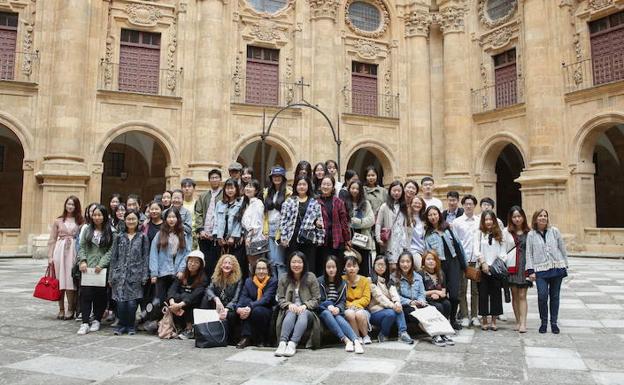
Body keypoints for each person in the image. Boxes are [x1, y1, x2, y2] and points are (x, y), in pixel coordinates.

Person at [526, 209, 568, 334]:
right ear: (535, 218)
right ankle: (543, 322)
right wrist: (530, 271)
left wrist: (565, 264)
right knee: (542, 296)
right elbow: (529, 253)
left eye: (545, 216)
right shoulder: (531, 234)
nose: (543, 218)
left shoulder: (554, 231)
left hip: (556, 267)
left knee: (555, 296)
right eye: (540, 216)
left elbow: (562, 248)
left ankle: (553, 323)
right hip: (540, 270)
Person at [424, 205, 467, 330]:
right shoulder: (427, 234)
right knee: (442, 294)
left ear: (439, 215)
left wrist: (463, 264)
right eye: (430, 215)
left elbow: (458, 245)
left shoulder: (448, 228)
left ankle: (453, 319)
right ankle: (444, 320)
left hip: (453, 263)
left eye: (435, 214)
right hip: (439, 266)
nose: (433, 217)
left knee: (454, 294)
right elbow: (428, 253)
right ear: (427, 217)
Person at [109, 210, 150, 335]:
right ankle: (122, 325)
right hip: (120, 275)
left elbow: (145, 257)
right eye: (128, 219)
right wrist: (111, 276)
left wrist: (144, 275)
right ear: (124, 221)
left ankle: (131, 326)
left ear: (138, 221)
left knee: (132, 304)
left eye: (133, 219)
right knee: (121, 303)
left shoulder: (143, 237)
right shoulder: (119, 237)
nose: (131, 221)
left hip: (136, 275)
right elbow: (113, 257)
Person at [275, 251, 322, 357]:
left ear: (304, 263)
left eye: (299, 262)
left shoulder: (311, 277)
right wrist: (288, 304)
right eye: (294, 262)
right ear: (289, 263)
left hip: (308, 312)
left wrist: (305, 305)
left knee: (303, 313)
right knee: (291, 312)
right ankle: (282, 343)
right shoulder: (284, 277)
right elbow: (280, 298)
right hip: (289, 311)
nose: (296, 265)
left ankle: (292, 344)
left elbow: (317, 299)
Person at [77, 204, 114, 335]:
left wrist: (102, 263)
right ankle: (85, 322)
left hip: (102, 269)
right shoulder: (87, 230)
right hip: (87, 268)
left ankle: (97, 319)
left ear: (104, 216)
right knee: (86, 294)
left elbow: (111, 251)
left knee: (100, 294)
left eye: (99, 215)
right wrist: (82, 260)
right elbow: (81, 247)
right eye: (95, 215)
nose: (97, 217)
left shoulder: (111, 232)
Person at [48, 196, 84, 320]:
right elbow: (52, 240)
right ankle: (61, 309)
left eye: (73, 204)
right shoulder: (58, 221)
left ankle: (70, 308)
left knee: (70, 280)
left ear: (76, 206)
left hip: (73, 251)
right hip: (60, 251)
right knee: (59, 280)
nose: (70, 207)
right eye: (68, 204)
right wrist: (50, 257)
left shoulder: (80, 221)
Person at [317, 255, 364, 353]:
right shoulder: (319, 281)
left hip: (336, 312)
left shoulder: (343, 283)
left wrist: (338, 308)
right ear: (325, 268)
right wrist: (328, 305)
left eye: (333, 267)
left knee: (338, 317)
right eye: (328, 267)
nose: (331, 270)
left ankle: (356, 341)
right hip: (323, 311)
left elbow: (343, 301)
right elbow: (318, 300)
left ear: (337, 268)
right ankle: (346, 341)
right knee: (327, 313)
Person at [279, 177, 324, 272]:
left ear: (308, 186)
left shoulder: (314, 202)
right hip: (293, 238)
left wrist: (320, 238)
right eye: (299, 184)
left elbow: (320, 221)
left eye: (304, 184)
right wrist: (284, 237)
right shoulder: (289, 202)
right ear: (295, 186)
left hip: (309, 239)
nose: (302, 187)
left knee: (309, 266)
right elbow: (283, 221)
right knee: (293, 265)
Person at [149, 207, 190, 312]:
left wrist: (181, 269)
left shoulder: (184, 234)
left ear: (178, 219)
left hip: (177, 272)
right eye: (169, 217)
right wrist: (154, 273)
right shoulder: (160, 234)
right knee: (160, 299)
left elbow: (187, 253)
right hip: (162, 272)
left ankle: (171, 324)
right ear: (165, 219)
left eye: (174, 217)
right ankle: (159, 322)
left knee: (173, 298)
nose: (171, 220)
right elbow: (153, 253)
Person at [368, 255, 413, 344]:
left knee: (399, 307)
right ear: (374, 265)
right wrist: (393, 306)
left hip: (388, 308)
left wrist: (397, 302)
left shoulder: (388, 280)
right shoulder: (370, 280)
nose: (381, 267)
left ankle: (403, 333)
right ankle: (383, 334)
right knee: (392, 313)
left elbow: (394, 293)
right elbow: (380, 297)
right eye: (379, 264)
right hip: (375, 312)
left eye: (383, 265)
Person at [200, 254, 243, 344]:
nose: (227, 265)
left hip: (229, 306)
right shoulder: (216, 276)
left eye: (230, 263)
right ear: (221, 265)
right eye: (225, 263)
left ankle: (228, 339)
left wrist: (226, 309)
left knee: (231, 315)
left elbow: (236, 299)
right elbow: (209, 289)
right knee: (205, 300)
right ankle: (204, 333)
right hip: (218, 305)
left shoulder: (238, 279)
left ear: (233, 266)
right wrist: (216, 299)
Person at [474, 210, 506, 331]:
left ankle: (494, 320)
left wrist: (494, 265)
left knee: (496, 294)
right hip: (483, 268)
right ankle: (484, 320)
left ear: (494, 220)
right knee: (482, 294)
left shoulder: (499, 233)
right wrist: (483, 263)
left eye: (490, 219)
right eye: (486, 219)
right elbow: (476, 249)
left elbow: (503, 252)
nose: (488, 222)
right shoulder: (479, 233)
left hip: (496, 269)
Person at [452, 194, 481, 328]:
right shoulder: (457, 222)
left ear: (474, 205)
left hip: (476, 259)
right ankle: (464, 315)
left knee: (476, 290)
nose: (468, 206)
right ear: (463, 205)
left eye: (471, 204)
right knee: (461, 289)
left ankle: (475, 315)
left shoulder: (479, 221)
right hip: (462, 259)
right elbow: (455, 241)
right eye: (466, 204)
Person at [167, 250, 209, 339]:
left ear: (200, 265)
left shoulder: (203, 278)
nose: (192, 264)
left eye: (196, 262)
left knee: (187, 298)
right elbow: (172, 289)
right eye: (190, 261)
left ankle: (189, 329)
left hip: (192, 303)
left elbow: (195, 295)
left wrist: (179, 305)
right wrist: (172, 303)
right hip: (178, 303)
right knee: (176, 297)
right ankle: (177, 326)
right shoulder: (182, 274)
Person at [236, 257, 277, 348]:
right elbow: (243, 297)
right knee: (245, 311)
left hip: (267, 309)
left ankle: (261, 339)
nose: (261, 271)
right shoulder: (248, 281)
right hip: (252, 308)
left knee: (257, 310)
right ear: (254, 270)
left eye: (264, 269)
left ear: (268, 270)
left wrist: (250, 306)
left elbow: (266, 299)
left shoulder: (272, 281)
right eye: (259, 269)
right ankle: (246, 338)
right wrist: (239, 308)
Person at [393, 251, 434, 344]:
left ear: (412, 263)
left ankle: (439, 332)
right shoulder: (394, 277)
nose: (405, 264)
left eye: (408, 262)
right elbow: (395, 295)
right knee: (412, 312)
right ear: (399, 263)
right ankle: (434, 334)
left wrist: (421, 301)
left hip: (418, 304)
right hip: (405, 305)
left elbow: (421, 293)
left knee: (433, 309)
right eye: (402, 262)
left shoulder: (418, 277)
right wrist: (410, 302)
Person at [503, 206, 531, 333]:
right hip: (512, 266)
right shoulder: (506, 232)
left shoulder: (529, 232)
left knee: (522, 295)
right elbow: (503, 249)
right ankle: (518, 321)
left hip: (525, 266)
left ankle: (524, 322)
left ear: (523, 217)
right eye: (514, 217)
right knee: (514, 294)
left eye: (519, 216)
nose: (517, 219)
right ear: (511, 218)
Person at [317, 175, 351, 276]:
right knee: (323, 266)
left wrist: (347, 239)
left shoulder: (338, 202)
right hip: (322, 240)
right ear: (320, 186)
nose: (326, 186)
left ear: (333, 187)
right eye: (324, 184)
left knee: (337, 266)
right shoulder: (316, 202)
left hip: (337, 239)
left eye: (328, 184)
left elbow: (344, 222)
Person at [213, 178, 246, 279]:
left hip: (235, 242)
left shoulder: (241, 203)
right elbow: (216, 220)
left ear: (236, 189)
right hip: (221, 240)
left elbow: (240, 221)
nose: (230, 190)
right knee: (221, 267)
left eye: (232, 188)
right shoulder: (219, 203)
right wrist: (218, 236)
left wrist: (233, 236)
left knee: (236, 267)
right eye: (227, 188)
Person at [194, 168, 223, 280]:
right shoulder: (203, 196)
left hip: (217, 237)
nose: (214, 180)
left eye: (216, 177)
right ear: (209, 180)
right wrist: (200, 230)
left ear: (220, 179)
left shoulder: (224, 195)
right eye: (212, 178)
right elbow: (198, 213)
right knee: (204, 263)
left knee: (216, 263)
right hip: (204, 235)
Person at [263, 166, 292, 278]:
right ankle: (274, 289)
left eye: (279, 176)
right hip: (268, 228)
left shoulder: (288, 193)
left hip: (281, 229)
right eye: (274, 176)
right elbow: (264, 214)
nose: (276, 178)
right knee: (271, 262)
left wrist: (285, 233)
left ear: (283, 178)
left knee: (279, 262)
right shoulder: (266, 192)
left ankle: (281, 291)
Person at [420, 251, 454, 345]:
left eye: (433, 259)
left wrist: (440, 294)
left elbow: (444, 290)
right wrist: (433, 292)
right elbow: (420, 292)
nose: (431, 261)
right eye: (428, 259)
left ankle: (444, 331)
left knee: (447, 304)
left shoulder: (440, 273)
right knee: (438, 307)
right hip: (426, 300)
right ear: (423, 261)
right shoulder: (420, 274)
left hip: (439, 299)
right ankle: (436, 334)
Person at [375, 180, 409, 270]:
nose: (396, 193)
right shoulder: (384, 206)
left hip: (401, 239)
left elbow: (407, 225)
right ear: (390, 191)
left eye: (399, 191)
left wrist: (408, 241)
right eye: (394, 190)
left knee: (402, 264)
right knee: (391, 265)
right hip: (390, 239)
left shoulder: (404, 206)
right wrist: (378, 238)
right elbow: (378, 223)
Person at [344, 180, 375, 276]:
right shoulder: (344, 204)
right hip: (350, 243)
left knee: (365, 271)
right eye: (352, 188)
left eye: (357, 189)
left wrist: (356, 222)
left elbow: (371, 220)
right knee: (351, 270)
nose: (355, 191)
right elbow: (343, 222)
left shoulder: (366, 203)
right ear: (349, 189)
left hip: (363, 241)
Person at [342, 254, 372, 345]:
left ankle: (366, 336)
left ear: (358, 268)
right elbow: (341, 298)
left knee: (359, 313)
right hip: (347, 308)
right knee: (350, 313)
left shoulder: (365, 280)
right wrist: (350, 306)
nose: (352, 268)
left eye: (354, 266)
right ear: (344, 268)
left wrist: (355, 304)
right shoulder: (341, 280)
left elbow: (366, 299)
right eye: (349, 266)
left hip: (362, 308)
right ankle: (357, 336)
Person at [241, 179, 266, 268]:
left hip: (255, 238)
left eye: (251, 187)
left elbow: (256, 224)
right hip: (250, 236)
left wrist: (249, 237)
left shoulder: (257, 203)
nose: (247, 188)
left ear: (256, 190)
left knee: (255, 265)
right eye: (247, 186)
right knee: (251, 265)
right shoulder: (249, 203)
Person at [408, 196, 426, 270]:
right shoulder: (407, 218)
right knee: (421, 269)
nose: (417, 205)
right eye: (415, 203)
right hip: (413, 250)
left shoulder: (424, 218)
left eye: (419, 203)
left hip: (425, 249)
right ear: (411, 204)